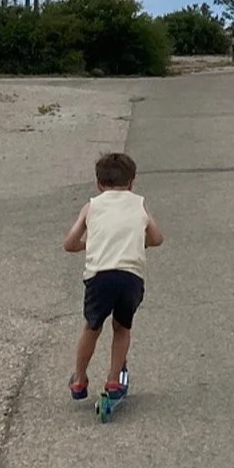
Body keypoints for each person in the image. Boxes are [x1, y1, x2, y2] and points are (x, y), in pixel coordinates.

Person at [63, 151, 164, 401]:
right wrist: (139, 242)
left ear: (99, 184)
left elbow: (69, 243)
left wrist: (90, 244)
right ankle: (113, 379)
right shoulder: (139, 203)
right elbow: (157, 238)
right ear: (132, 182)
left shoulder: (92, 206)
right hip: (130, 278)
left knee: (92, 326)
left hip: (99, 278)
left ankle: (79, 378)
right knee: (122, 327)